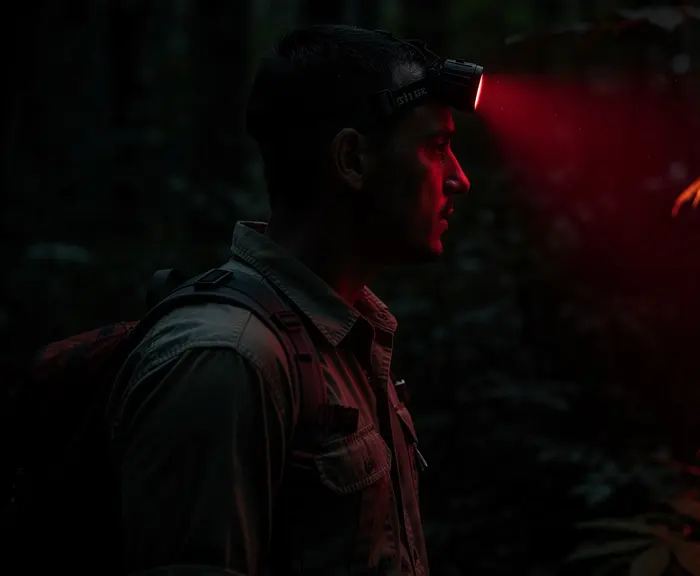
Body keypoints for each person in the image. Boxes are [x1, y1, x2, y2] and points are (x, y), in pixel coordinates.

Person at [107, 24, 471, 576]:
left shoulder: (346, 337)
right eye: (435, 148)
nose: (459, 179)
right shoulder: (228, 360)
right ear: (351, 159)